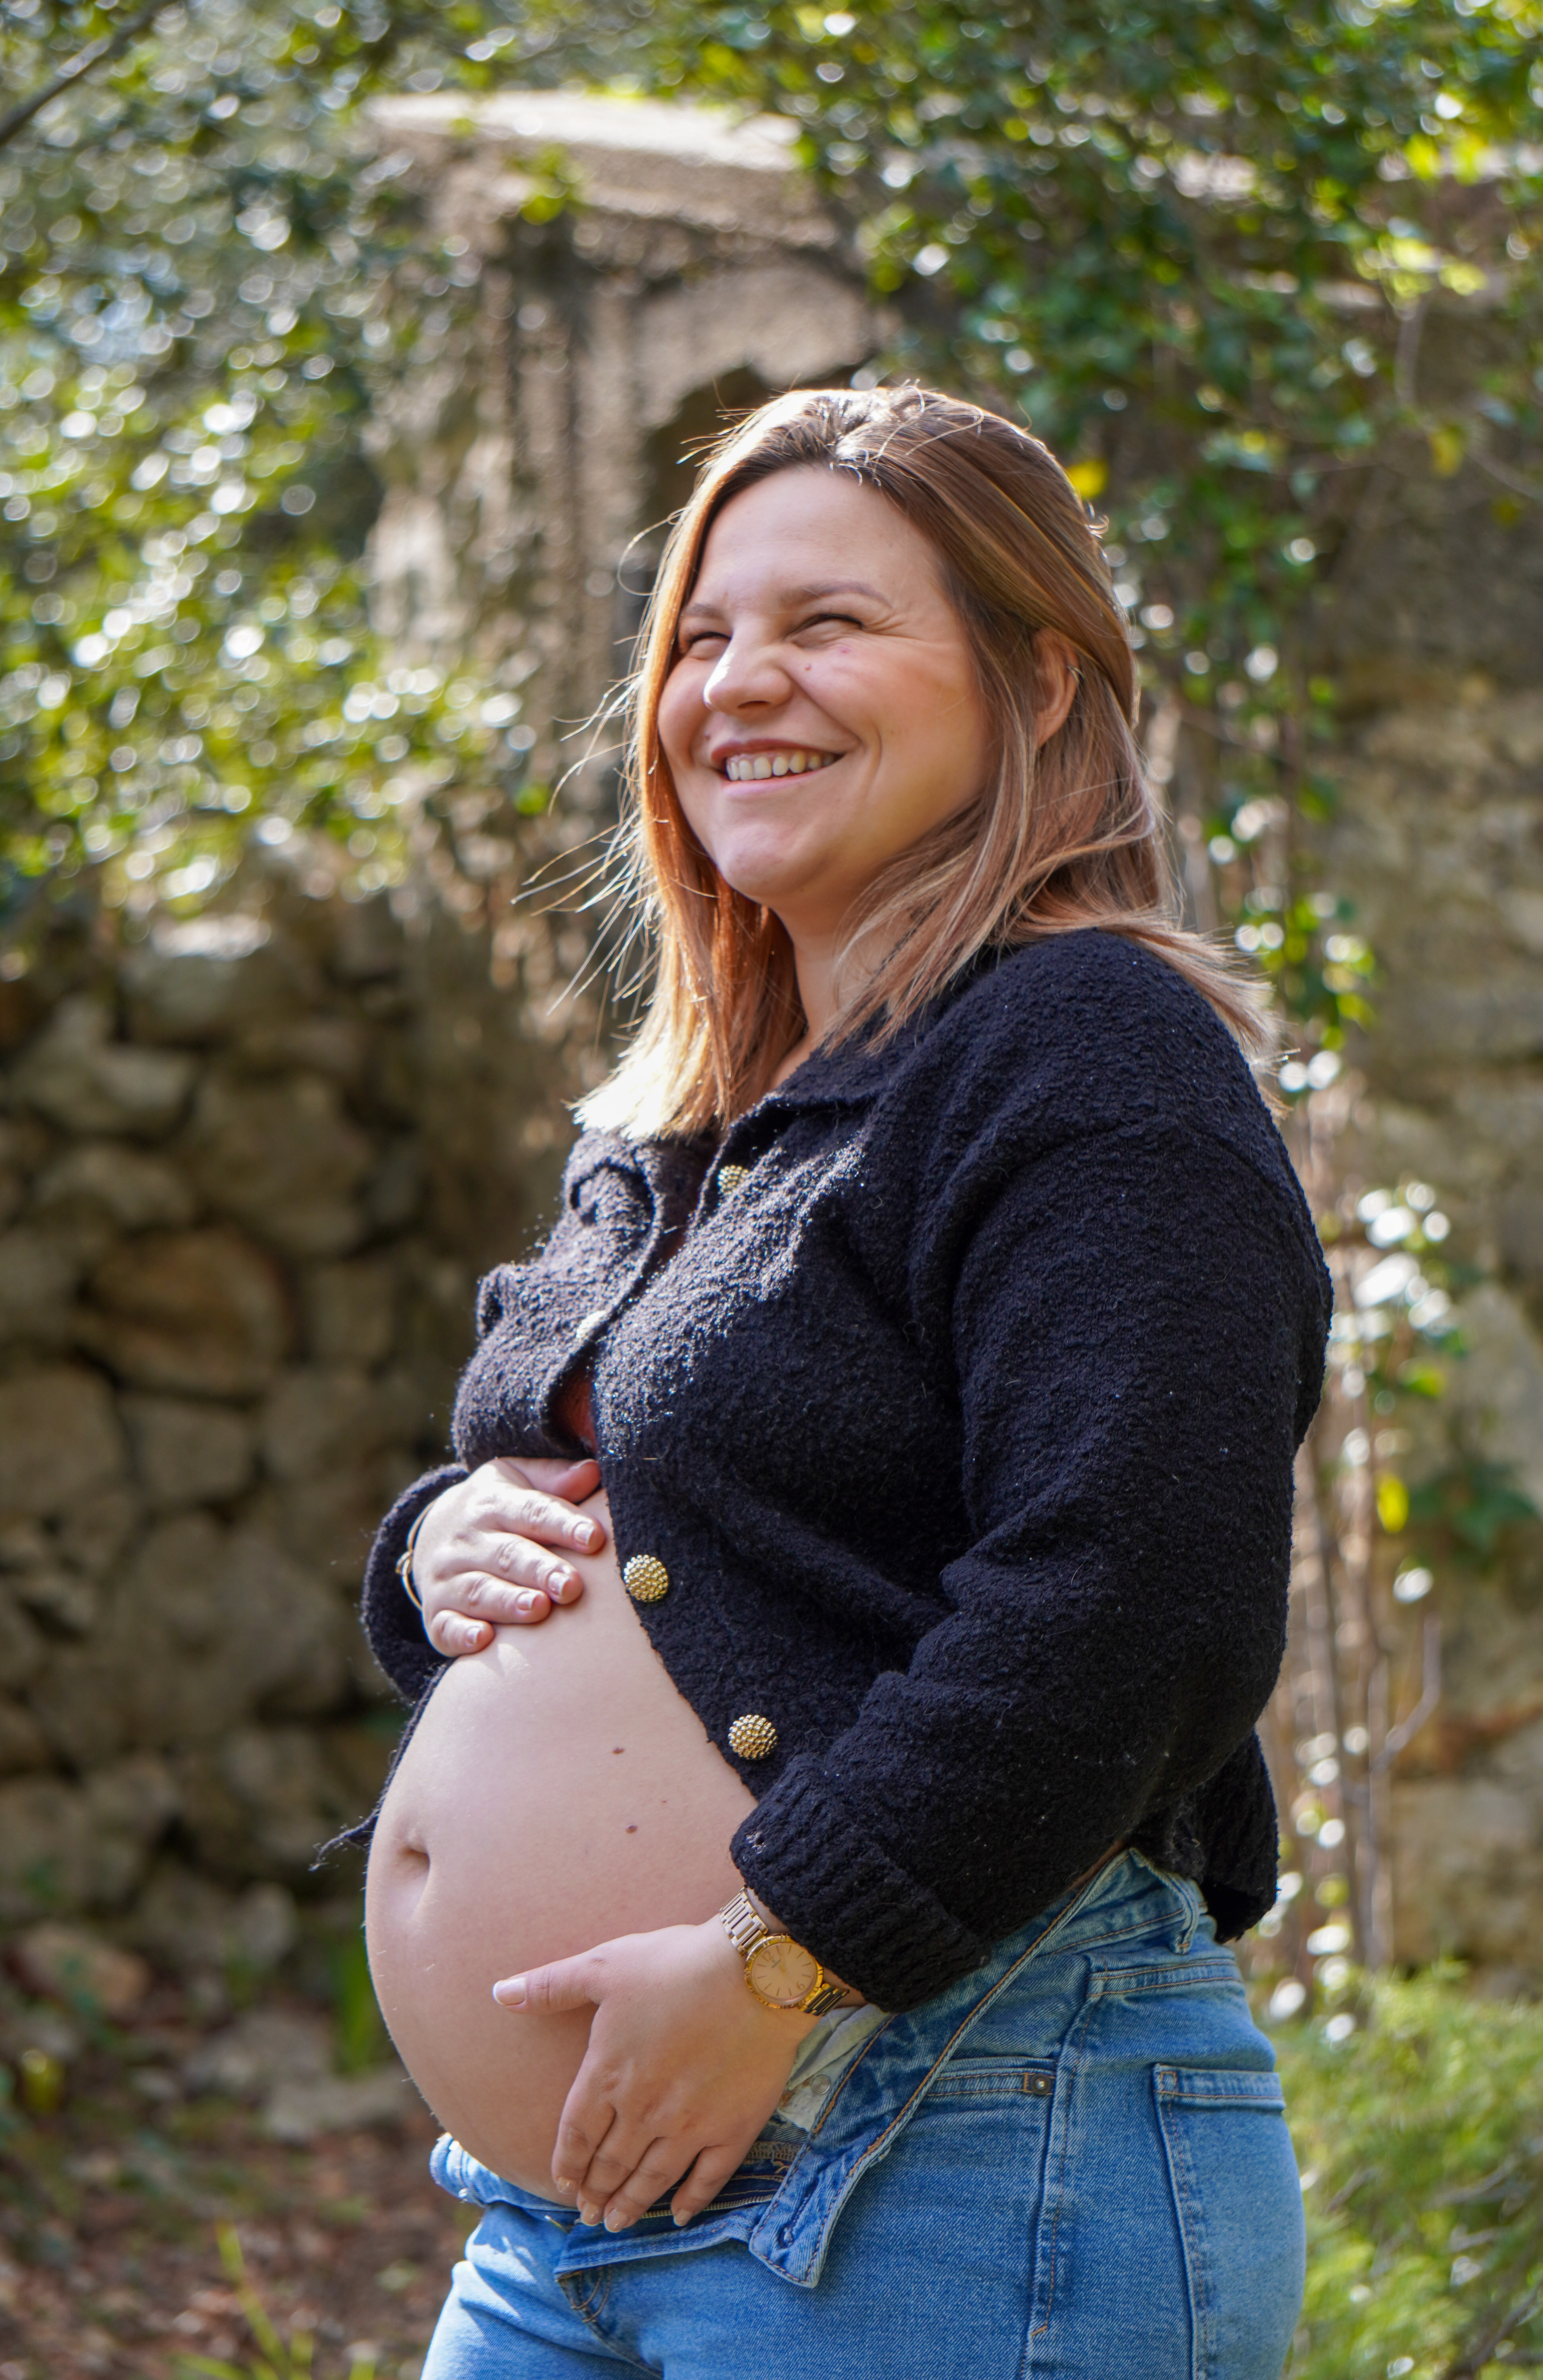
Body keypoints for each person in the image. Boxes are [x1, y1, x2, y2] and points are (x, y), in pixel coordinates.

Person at [356, 385, 1331, 2379]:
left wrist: (784, 1957)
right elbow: (676, 1516)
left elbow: (1138, 1596)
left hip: (953, 2147)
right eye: (702, 636)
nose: (737, 683)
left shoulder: (1088, 1051)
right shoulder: (698, 1111)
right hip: (565, 2216)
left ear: (1036, 682)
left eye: (827, 624)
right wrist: (437, 1548)